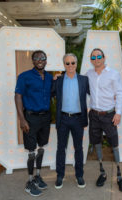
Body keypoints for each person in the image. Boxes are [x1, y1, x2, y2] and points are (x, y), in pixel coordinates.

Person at [86, 48, 122, 192]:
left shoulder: (113, 74)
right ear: (91, 60)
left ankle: (120, 176)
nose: (96, 59)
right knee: (96, 143)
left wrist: (118, 113)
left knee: (114, 144)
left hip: (109, 115)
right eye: (93, 57)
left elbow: (120, 93)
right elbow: (81, 88)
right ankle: (102, 173)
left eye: (99, 56)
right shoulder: (88, 74)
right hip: (94, 116)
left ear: (104, 57)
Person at [14, 50, 53, 197]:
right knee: (31, 152)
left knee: (41, 148)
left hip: (45, 118)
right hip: (30, 118)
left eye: (42, 57)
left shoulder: (49, 77)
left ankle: (37, 176)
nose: (40, 60)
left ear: (46, 60)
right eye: (36, 58)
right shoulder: (24, 77)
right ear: (33, 61)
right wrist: (22, 119)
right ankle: (29, 182)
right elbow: (18, 97)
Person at [53, 53, 89, 189]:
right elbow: (49, 93)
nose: (70, 66)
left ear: (76, 64)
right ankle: (59, 176)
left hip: (78, 119)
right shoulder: (59, 80)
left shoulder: (84, 80)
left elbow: (95, 94)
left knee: (78, 149)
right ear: (64, 65)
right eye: (67, 63)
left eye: (72, 63)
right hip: (63, 119)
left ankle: (79, 175)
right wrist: (53, 79)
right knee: (60, 148)